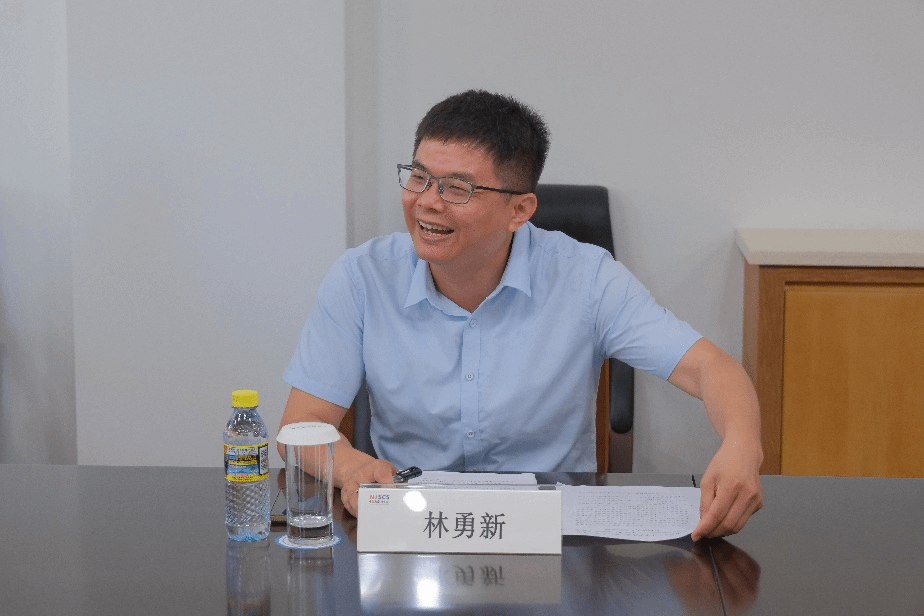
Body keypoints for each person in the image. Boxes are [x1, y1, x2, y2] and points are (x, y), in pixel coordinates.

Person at [279, 89, 763, 539]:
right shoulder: (363, 277)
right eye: (419, 177)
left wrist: (742, 446)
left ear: (520, 210)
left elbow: (710, 368)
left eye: (457, 188)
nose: (427, 202)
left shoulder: (585, 277)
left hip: (554, 537)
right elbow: (302, 424)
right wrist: (354, 468)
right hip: (413, 527)